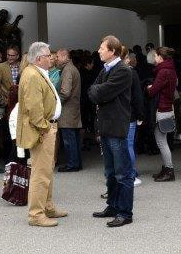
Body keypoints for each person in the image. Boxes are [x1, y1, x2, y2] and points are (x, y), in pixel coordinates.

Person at [16, 42, 67, 227]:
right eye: (48, 55)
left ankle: (47, 206)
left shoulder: (36, 72)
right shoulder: (32, 75)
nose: (51, 58)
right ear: (38, 59)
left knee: (47, 171)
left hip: (46, 128)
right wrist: (45, 127)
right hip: (42, 130)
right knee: (40, 173)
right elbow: (34, 108)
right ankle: (36, 214)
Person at [89, 35, 134, 227]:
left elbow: (101, 92)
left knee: (122, 173)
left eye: (102, 48)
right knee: (110, 172)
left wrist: (99, 92)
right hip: (106, 127)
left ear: (112, 51)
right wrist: (99, 92)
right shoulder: (105, 69)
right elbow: (92, 91)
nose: (98, 50)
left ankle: (125, 213)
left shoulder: (123, 71)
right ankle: (113, 206)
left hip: (116, 128)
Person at [146, 46, 178, 181]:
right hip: (168, 108)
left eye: (156, 55)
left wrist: (149, 87)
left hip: (162, 110)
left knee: (161, 142)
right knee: (163, 141)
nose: (154, 58)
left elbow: (153, 91)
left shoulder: (163, 71)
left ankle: (169, 170)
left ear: (160, 57)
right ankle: (165, 168)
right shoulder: (170, 70)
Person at [56, 48, 82, 173]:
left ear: (64, 57)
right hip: (73, 109)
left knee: (69, 139)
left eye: (57, 57)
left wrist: (56, 104)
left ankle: (72, 164)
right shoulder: (72, 68)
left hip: (67, 110)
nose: (56, 59)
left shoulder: (67, 70)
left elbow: (65, 92)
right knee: (74, 138)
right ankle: (76, 163)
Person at [123, 50, 144, 186]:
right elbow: (137, 96)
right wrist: (140, 115)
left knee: (120, 145)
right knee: (129, 144)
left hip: (117, 115)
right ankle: (131, 173)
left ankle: (123, 172)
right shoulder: (131, 73)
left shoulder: (110, 72)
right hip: (130, 114)